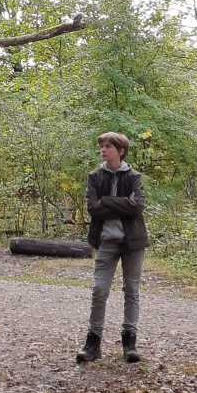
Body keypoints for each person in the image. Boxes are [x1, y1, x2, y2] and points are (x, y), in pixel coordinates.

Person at [76, 131, 148, 365]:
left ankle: (130, 343)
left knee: (131, 290)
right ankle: (93, 343)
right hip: (106, 241)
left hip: (132, 243)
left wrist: (107, 201)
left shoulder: (134, 177)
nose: (103, 150)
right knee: (99, 289)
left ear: (121, 151)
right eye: (102, 146)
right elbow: (93, 209)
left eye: (108, 146)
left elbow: (137, 207)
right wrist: (121, 204)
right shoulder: (95, 176)